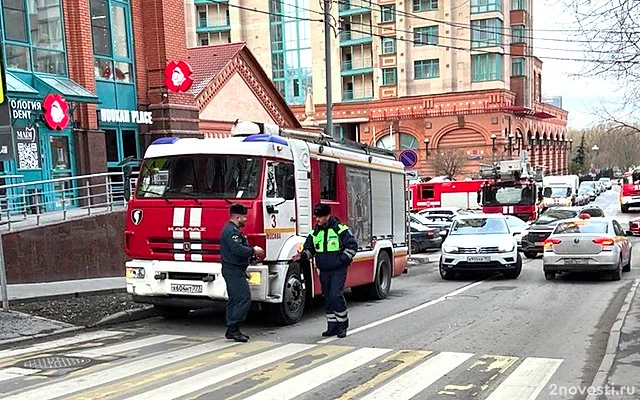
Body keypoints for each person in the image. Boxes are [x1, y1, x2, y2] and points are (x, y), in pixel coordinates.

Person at [292, 203, 358, 338]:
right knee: (327, 297)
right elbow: (310, 249)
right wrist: (302, 256)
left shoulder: (340, 229)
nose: (317, 219)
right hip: (324, 270)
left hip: (338, 269)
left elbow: (352, 246)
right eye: (316, 217)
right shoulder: (315, 232)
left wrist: (342, 260)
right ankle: (332, 326)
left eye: (320, 217)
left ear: (328, 216)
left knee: (335, 295)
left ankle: (342, 326)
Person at [220, 203, 265, 342]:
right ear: (237, 217)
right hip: (233, 270)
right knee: (242, 299)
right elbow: (237, 250)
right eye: (244, 217)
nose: (246, 219)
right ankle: (233, 329)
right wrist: (254, 251)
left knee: (235, 299)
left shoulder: (232, 229)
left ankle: (232, 328)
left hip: (235, 269)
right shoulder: (232, 231)